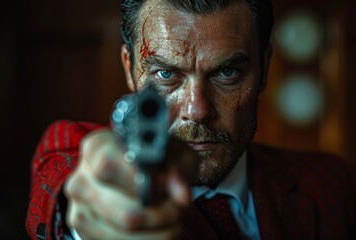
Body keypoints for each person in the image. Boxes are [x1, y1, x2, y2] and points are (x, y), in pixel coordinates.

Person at [26, 0, 356, 239]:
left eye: (227, 72)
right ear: (130, 69)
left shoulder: (332, 183)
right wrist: (86, 224)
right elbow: (66, 186)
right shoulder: (76, 156)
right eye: (166, 73)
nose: (197, 109)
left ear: (264, 68)